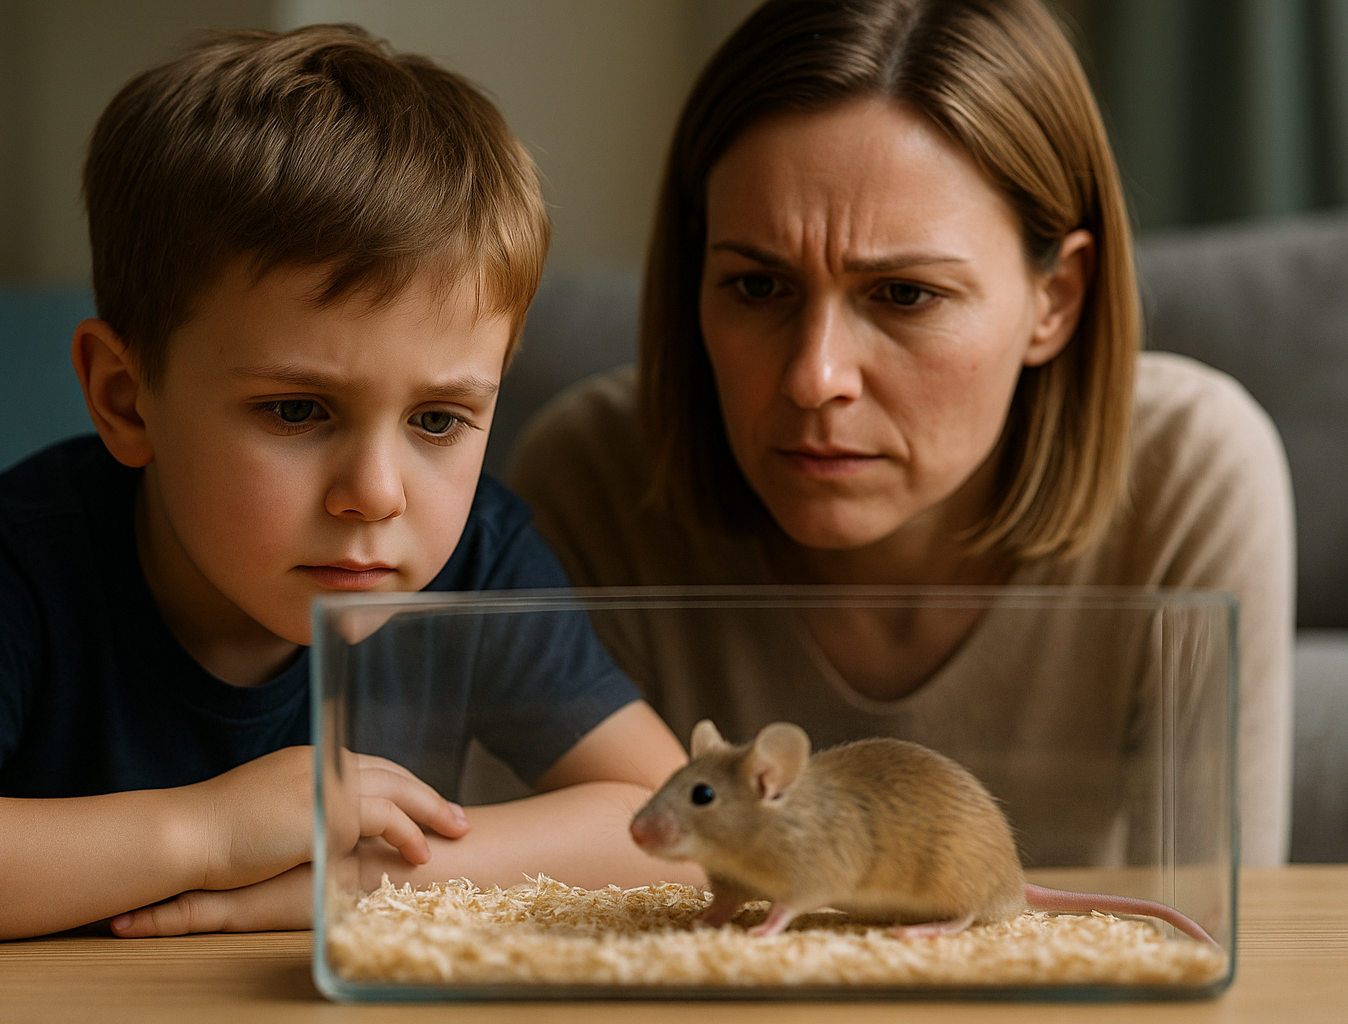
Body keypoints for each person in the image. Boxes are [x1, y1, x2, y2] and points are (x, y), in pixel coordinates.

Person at [0, 25, 690, 946]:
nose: (377, 495)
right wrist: (211, 832)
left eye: (438, 419)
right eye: (298, 412)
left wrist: (363, 879)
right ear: (126, 397)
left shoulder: (482, 555)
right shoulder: (20, 557)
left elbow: (679, 828)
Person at [509, 0, 1293, 867]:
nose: (815, 377)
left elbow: (1217, 937)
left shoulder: (1193, 475)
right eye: (758, 288)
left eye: (906, 295)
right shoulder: (585, 480)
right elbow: (537, 914)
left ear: (1057, 298)